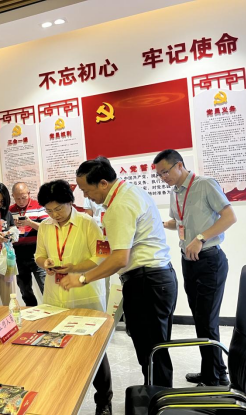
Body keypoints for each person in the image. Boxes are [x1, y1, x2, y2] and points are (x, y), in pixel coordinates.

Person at [74, 157, 178, 388]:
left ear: (103, 183)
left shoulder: (120, 205)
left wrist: (82, 278)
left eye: (86, 190)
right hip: (156, 279)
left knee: (151, 351)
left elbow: (120, 258)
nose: (86, 196)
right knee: (155, 348)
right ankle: (158, 396)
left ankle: (159, 398)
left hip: (146, 282)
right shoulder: (129, 193)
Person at [154, 149, 236, 387]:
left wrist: (200, 238)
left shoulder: (205, 184)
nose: (163, 178)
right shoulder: (175, 192)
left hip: (209, 260)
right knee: (200, 319)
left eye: (165, 172)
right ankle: (215, 371)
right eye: (159, 175)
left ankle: (213, 380)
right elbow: (178, 222)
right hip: (189, 260)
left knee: (207, 321)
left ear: (179, 165)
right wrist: (158, 223)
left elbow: (229, 217)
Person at [34, 180, 112, 415]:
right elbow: (39, 255)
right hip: (55, 296)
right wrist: (46, 264)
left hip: (84, 293)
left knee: (94, 349)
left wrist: (75, 268)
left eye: (58, 208)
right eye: (49, 210)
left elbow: (101, 256)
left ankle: (104, 401)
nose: (54, 215)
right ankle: (62, 399)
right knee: (57, 346)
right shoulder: (45, 226)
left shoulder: (88, 223)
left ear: (70, 202)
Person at [9, 182, 47, 306]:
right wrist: (13, 226)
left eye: (24, 197)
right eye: (17, 198)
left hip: (37, 253)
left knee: (45, 286)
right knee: (24, 289)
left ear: (29, 194)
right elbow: (6, 231)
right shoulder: (10, 211)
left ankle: (51, 309)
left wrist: (30, 223)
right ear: (13, 196)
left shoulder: (39, 207)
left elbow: (46, 228)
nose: (21, 201)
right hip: (18, 255)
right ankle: (32, 310)